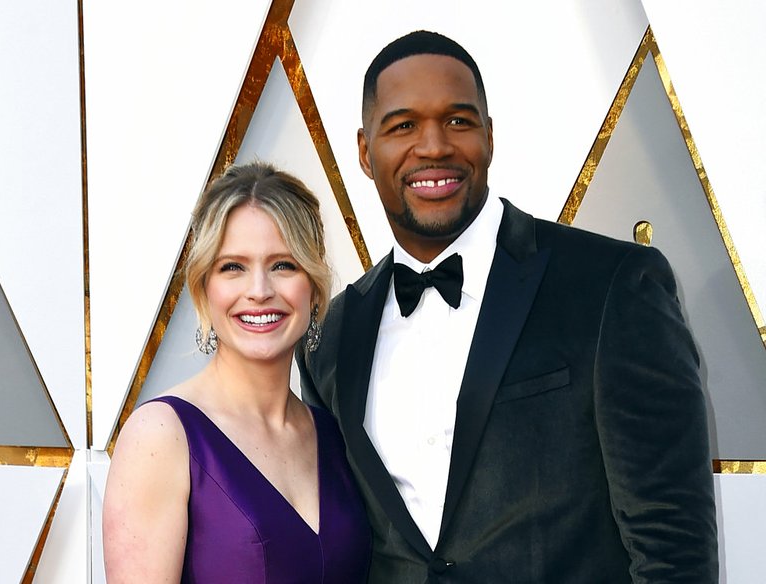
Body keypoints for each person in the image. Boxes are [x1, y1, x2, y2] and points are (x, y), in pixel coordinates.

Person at [297, 30, 718, 583]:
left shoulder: (611, 286)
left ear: (489, 137)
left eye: (458, 121)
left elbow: (673, 545)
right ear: (364, 151)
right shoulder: (333, 335)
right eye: (403, 126)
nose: (433, 147)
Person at [103, 162, 371, 583]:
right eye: (233, 267)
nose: (260, 290)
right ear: (204, 288)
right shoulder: (160, 436)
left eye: (284, 264)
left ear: (314, 287)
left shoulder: (335, 435)